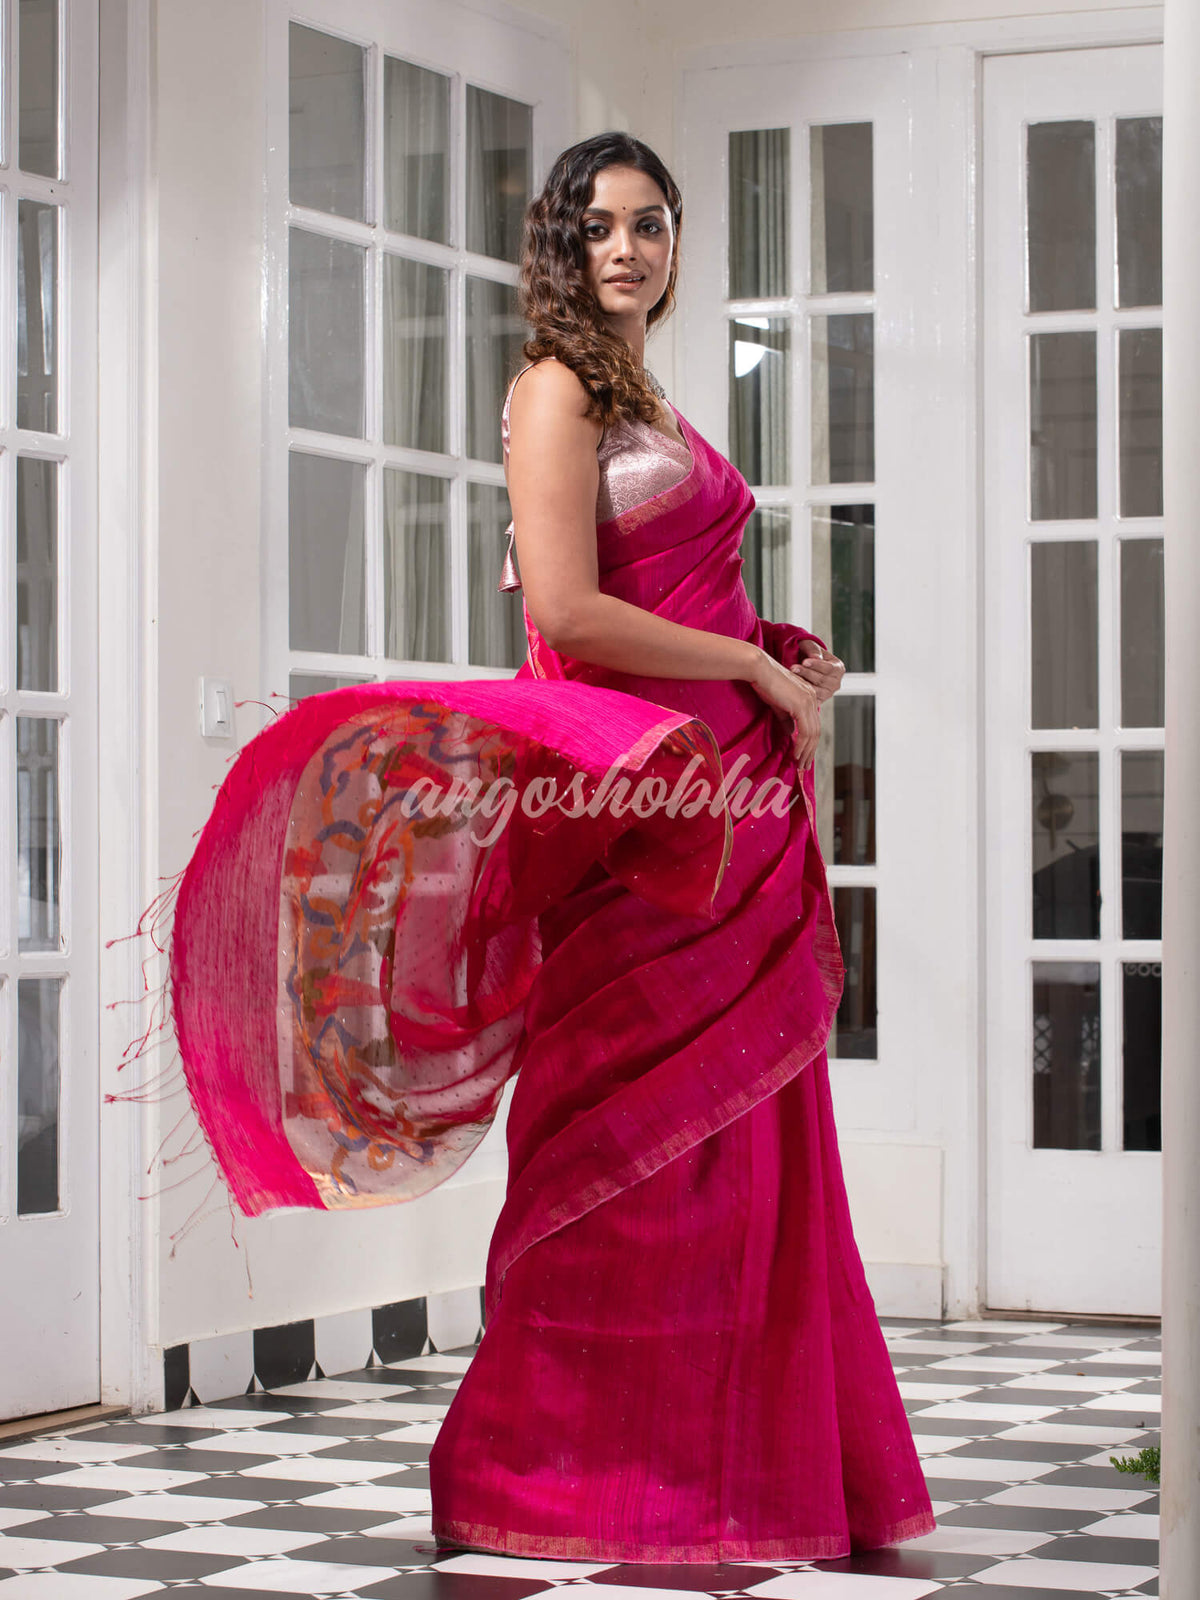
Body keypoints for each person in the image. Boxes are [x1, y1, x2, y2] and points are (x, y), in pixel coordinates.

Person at [165, 131, 935, 1565]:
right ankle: (561, 1479)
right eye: (598, 226)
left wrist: (773, 646)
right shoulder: (555, 389)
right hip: (631, 820)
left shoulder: (647, 394)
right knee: (624, 1145)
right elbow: (571, 617)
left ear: (677, 243)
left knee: (746, 1152)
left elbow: (681, 593)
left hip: (731, 804)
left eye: (651, 224)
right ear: (560, 247)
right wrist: (746, 670)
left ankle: (738, 1471)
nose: (627, 249)